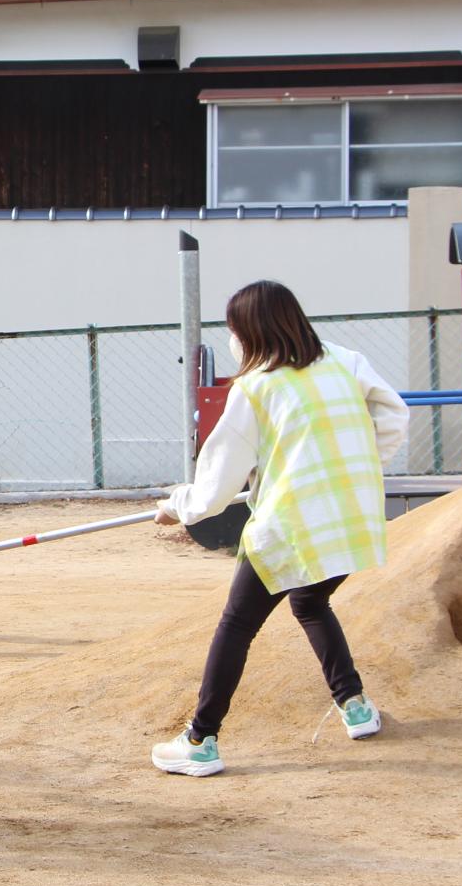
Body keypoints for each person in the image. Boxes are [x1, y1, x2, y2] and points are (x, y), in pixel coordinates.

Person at [148, 280, 409, 777]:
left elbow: (216, 485)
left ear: (249, 332)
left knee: (237, 625)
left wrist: (176, 507)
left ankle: (200, 741)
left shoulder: (256, 387)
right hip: (351, 517)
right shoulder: (345, 361)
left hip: (292, 524)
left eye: (233, 330)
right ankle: (354, 705)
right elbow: (395, 415)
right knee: (310, 601)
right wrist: (357, 465)